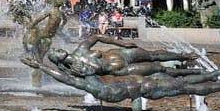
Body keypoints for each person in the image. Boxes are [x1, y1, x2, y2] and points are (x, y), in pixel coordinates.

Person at [23, 57, 220, 103]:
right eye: (86, 67)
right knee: (184, 87)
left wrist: (56, 63)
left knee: (178, 79)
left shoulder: (96, 77)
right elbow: (64, 78)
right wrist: (41, 66)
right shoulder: (89, 83)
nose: (90, 66)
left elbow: (66, 72)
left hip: (142, 81)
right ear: (83, 72)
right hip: (144, 88)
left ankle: (211, 77)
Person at [46, 35, 199, 77]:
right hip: (122, 70)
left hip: (121, 53)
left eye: (56, 48)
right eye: (55, 52)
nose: (58, 49)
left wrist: (122, 44)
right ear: (56, 60)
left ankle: (183, 56)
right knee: (157, 68)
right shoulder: (75, 69)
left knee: (153, 55)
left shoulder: (80, 50)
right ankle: (192, 72)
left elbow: (97, 37)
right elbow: (97, 71)